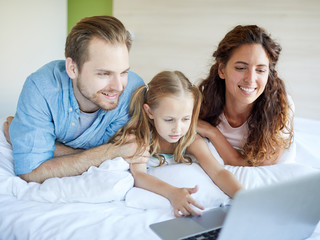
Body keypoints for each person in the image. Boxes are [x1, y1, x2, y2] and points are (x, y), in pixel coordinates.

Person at [3, 16, 147, 183]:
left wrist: (49, 148)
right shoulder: (41, 87)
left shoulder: (134, 92)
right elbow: (31, 171)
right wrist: (111, 153)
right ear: (72, 69)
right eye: (104, 73)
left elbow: (134, 150)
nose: (118, 86)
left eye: (123, 72)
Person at [109, 70, 243, 217]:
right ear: (150, 112)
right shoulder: (141, 138)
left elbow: (218, 172)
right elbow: (139, 175)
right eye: (169, 120)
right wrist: (173, 193)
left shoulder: (191, 140)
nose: (177, 129)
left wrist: (244, 197)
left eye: (185, 119)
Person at [196, 25, 294, 167]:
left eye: (260, 70)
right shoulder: (202, 103)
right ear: (222, 70)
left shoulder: (281, 107)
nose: (250, 79)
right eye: (241, 68)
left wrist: (213, 133)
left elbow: (260, 164)